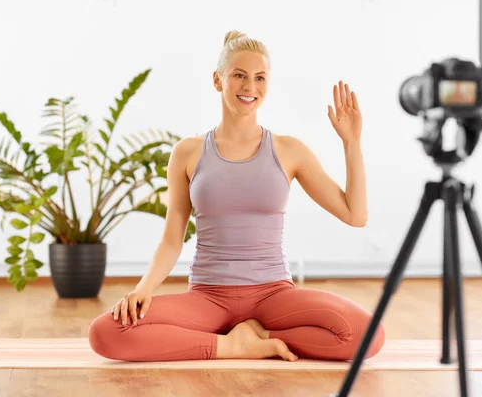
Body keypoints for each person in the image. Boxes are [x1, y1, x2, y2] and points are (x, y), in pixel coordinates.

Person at [88, 30, 386, 362]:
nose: (250, 87)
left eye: (260, 78)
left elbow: (355, 215)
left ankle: (259, 335)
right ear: (218, 80)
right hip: (207, 298)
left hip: (273, 295)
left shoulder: (289, 151)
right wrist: (143, 288)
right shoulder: (188, 152)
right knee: (107, 331)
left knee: (368, 334)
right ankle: (228, 345)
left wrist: (351, 142)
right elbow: (172, 239)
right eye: (239, 76)